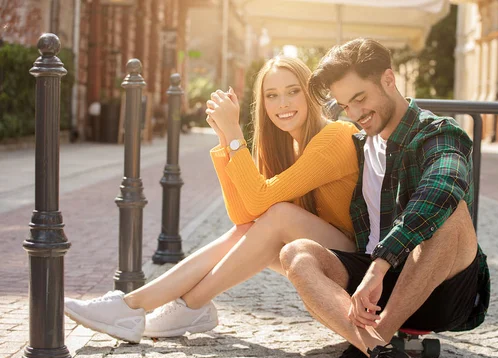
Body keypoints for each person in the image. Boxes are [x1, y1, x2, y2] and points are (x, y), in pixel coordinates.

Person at [64, 56, 359, 343]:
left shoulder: (336, 136)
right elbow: (245, 217)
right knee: (248, 230)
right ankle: (137, 305)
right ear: (263, 103)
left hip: (360, 264)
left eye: (293, 91)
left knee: (280, 214)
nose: (283, 103)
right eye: (272, 95)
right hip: (323, 257)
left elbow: (259, 203)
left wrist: (233, 133)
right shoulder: (287, 148)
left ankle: (182, 305)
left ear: (309, 93)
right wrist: (223, 141)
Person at [278, 38, 491, 358]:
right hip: (373, 292)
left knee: (451, 212)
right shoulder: (358, 144)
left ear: (389, 80)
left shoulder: (440, 133)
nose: (354, 112)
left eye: (360, 98)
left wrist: (380, 264)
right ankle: (381, 354)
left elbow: (442, 189)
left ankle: (367, 345)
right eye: (345, 105)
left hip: (440, 288)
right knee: (296, 254)